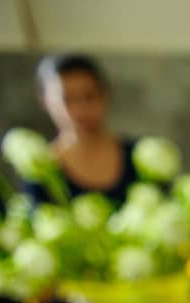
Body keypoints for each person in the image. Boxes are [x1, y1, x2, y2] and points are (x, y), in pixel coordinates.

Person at [34, 53, 139, 201]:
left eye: (89, 96)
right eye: (67, 99)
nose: (81, 109)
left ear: (104, 95)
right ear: (45, 102)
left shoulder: (139, 157)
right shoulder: (41, 170)